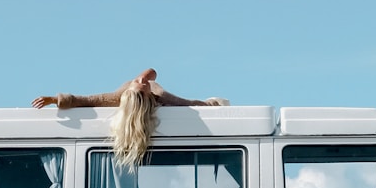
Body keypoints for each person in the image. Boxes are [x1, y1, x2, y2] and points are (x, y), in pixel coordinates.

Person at [32, 69, 229, 170]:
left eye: (141, 83)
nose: (142, 81)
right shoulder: (143, 93)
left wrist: (53, 99)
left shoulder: (150, 94)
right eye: (141, 82)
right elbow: (88, 99)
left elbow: (189, 103)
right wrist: (54, 99)